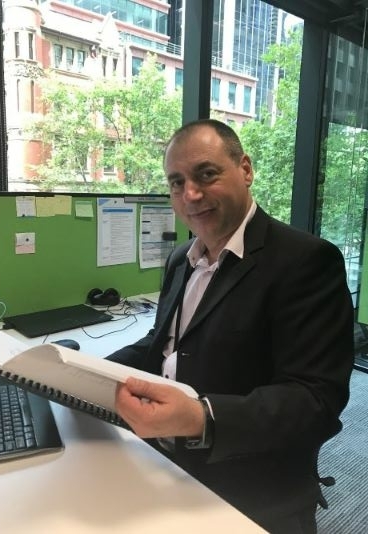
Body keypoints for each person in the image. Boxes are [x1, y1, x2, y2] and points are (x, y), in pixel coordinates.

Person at [107, 119, 354, 533]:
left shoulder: (306, 261)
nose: (190, 194)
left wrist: (202, 418)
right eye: (176, 182)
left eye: (206, 174)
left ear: (245, 169)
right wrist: (87, 375)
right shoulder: (180, 259)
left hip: (250, 489)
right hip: (163, 466)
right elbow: (164, 343)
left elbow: (316, 401)